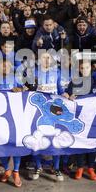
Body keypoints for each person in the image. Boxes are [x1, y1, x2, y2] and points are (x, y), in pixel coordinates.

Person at [0, 59, 26, 188]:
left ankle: (16, 172)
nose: (4, 68)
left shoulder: (15, 79)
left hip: (14, 118)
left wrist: (19, 89)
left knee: (16, 146)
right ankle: (7, 169)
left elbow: (25, 90)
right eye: (2, 66)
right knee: (0, 146)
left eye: (7, 66)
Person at [62, 60, 96, 181]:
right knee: (79, 142)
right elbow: (67, 95)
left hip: (94, 119)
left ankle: (91, 168)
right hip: (79, 119)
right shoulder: (74, 82)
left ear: (90, 68)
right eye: (82, 68)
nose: (84, 70)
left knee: (93, 143)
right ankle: (80, 167)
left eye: (87, 67)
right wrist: (68, 96)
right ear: (79, 69)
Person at [27, 52, 65, 182]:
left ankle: (56, 167)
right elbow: (29, 89)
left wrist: (65, 94)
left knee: (56, 138)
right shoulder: (34, 72)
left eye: (49, 58)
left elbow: (60, 89)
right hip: (38, 110)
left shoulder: (57, 72)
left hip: (54, 110)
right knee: (37, 137)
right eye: (44, 57)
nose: (47, 60)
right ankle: (38, 166)